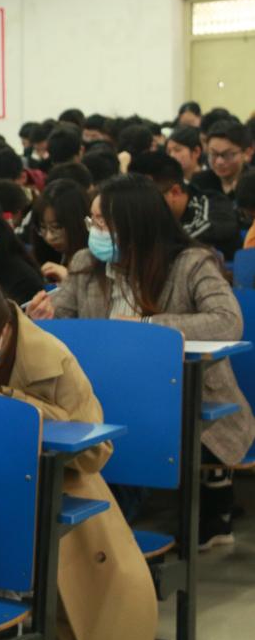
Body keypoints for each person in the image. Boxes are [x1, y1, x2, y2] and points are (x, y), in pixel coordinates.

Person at [0, 273, 157, 640]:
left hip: (51, 486)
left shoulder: (52, 359)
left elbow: (96, 453)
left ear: (3, 330)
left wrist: (15, 409)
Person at [27, 174, 255, 547]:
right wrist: (41, 319)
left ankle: (109, 540)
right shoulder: (86, 263)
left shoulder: (189, 263)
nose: (94, 231)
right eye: (92, 221)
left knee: (124, 438)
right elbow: (63, 319)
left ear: (135, 223)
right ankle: (91, 538)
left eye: (103, 222)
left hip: (175, 397)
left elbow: (227, 321)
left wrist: (148, 328)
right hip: (103, 393)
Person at [129, 151, 240, 260]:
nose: (140, 206)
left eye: (146, 199)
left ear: (175, 192)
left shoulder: (214, 205)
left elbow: (220, 233)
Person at [28, 179, 91, 284]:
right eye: (43, 227)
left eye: (56, 227)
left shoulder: (98, 260)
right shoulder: (51, 256)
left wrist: (68, 279)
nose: (49, 237)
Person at [193, 120, 254, 199]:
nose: (219, 162)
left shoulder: (252, 183)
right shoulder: (199, 182)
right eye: (214, 154)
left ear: (247, 153)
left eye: (227, 155)